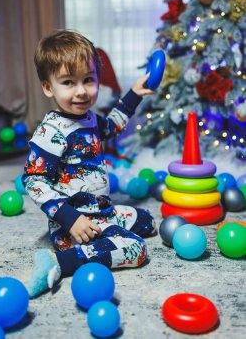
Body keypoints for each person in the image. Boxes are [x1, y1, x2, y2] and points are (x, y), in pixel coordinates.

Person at [22, 30, 156, 298]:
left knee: (146, 220)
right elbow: (33, 181)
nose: (81, 91)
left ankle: (105, 236)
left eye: (88, 80)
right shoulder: (52, 131)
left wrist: (134, 94)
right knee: (137, 249)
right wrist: (70, 220)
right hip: (75, 224)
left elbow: (112, 125)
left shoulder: (89, 118)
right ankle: (61, 261)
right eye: (69, 82)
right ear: (48, 87)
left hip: (100, 211)